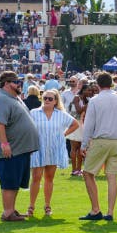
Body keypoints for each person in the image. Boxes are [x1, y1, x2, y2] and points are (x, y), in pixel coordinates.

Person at [79, 72, 117, 222]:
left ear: (97, 85)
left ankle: (96, 209)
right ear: (112, 84)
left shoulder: (95, 101)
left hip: (101, 140)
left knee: (88, 173)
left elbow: (89, 124)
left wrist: (84, 143)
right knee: (112, 177)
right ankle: (110, 212)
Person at [0, 71, 41, 222]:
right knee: (9, 182)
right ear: (6, 84)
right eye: (16, 82)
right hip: (10, 150)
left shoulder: (13, 98)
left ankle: (11, 209)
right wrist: (4, 144)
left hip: (19, 149)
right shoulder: (1, 100)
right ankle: (7, 213)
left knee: (15, 182)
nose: (19, 84)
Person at [27, 89, 79, 217]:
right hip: (38, 149)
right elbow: (27, 127)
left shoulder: (61, 114)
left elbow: (75, 124)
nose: (47, 101)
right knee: (36, 177)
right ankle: (31, 206)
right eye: (45, 98)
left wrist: (64, 134)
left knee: (49, 178)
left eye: (50, 99)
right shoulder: (34, 113)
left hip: (54, 149)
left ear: (56, 101)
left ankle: (47, 205)